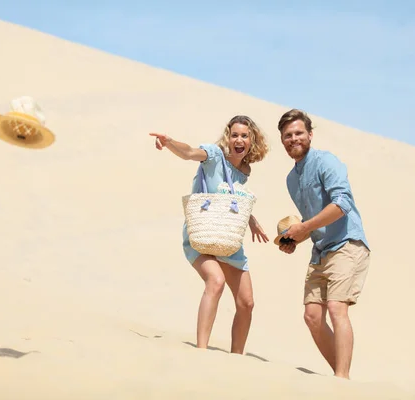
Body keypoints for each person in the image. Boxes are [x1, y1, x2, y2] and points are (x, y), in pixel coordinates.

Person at [149, 115, 270, 354]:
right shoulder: (214, 156)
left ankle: (237, 357)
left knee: (246, 302)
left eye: (244, 136)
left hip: (227, 238)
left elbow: (231, 198)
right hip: (201, 235)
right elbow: (189, 153)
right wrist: (170, 142)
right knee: (215, 281)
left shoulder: (245, 169)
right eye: (234, 134)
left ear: (252, 140)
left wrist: (252, 219)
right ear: (228, 136)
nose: (239, 140)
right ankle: (201, 353)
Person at [276, 108, 371, 379]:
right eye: (287, 135)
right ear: (282, 140)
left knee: (337, 308)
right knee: (312, 318)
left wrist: (304, 227)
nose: (293, 138)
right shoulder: (291, 179)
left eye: (298, 133)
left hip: (346, 244)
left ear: (310, 135)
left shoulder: (326, 161)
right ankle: (340, 376)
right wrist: (296, 238)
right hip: (320, 251)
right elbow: (312, 220)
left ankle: (341, 382)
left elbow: (342, 203)